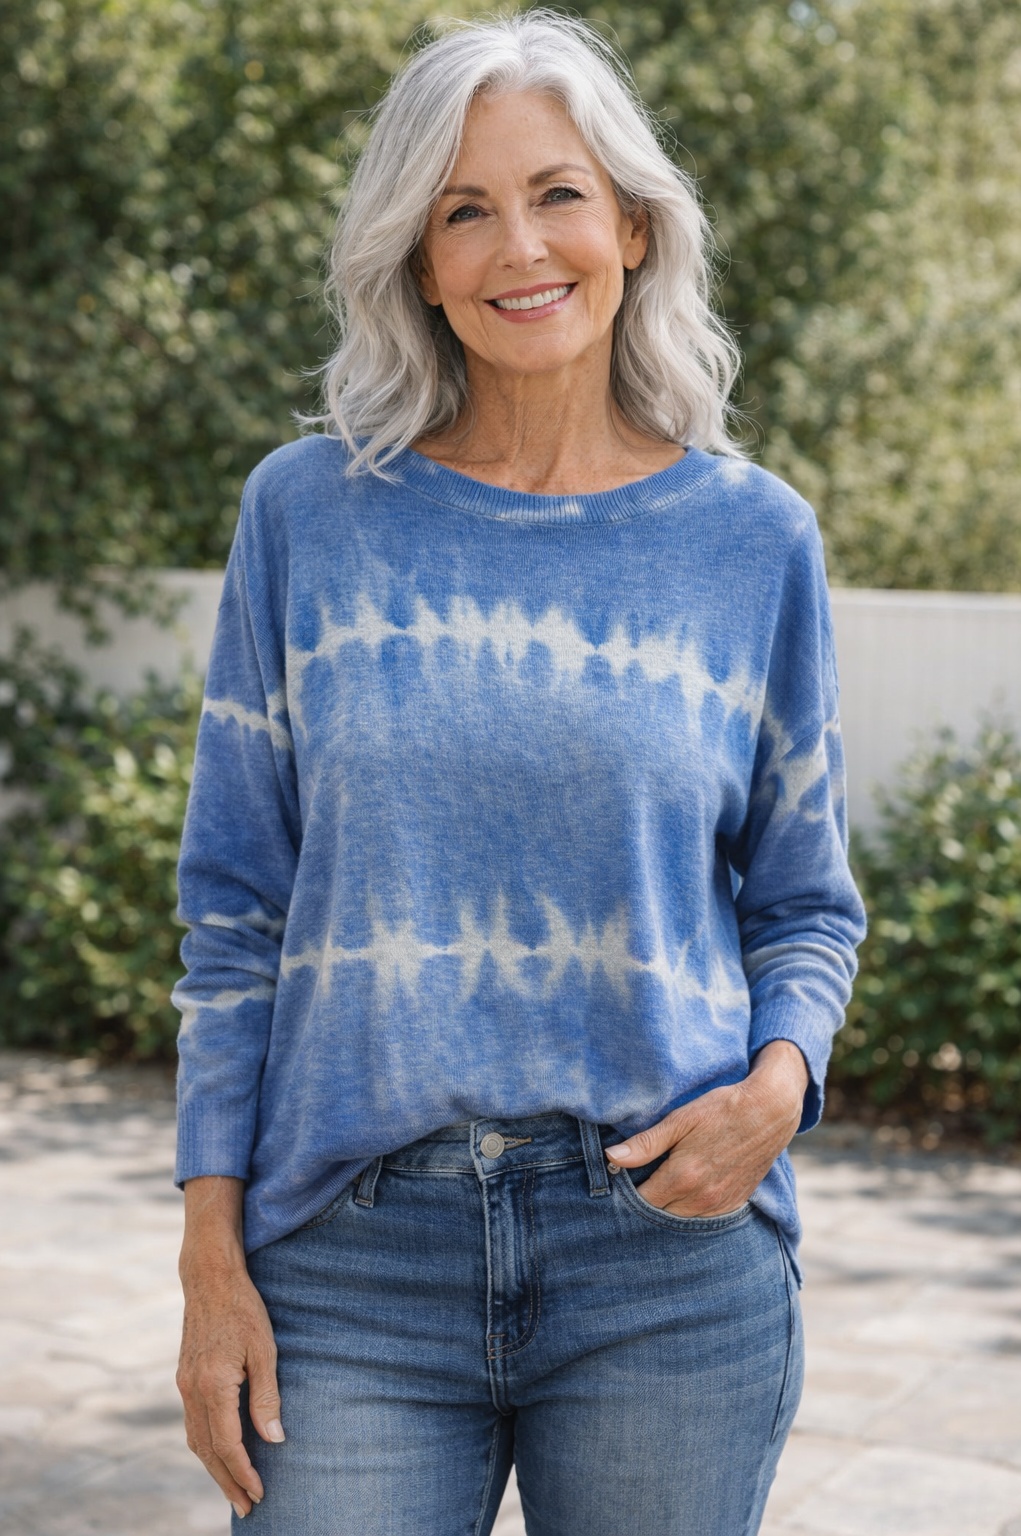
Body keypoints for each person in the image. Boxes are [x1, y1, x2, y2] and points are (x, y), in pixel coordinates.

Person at [173, 13, 865, 1535]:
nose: (517, 245)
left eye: (556, 193)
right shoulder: (308, 517)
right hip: (350, 1258)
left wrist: (776, 1088)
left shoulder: (753, 543)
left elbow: (809, 904)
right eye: (462, 210)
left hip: (665, 1252)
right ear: (418, 263)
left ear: (631, 221)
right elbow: (233, 910)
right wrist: (208, 1257)